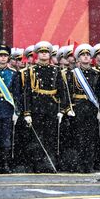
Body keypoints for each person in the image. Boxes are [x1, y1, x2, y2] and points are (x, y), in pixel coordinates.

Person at [20, 41, 68, 173]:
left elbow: (62, 91)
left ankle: (50, 162)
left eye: (46, 52)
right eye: (41, 52)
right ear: (37, 55)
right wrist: (27, 113)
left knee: (51, 137)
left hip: (51, 107)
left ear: (49, 54)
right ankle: (38, 164)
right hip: (37, 107)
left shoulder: (57, 70)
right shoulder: (31, 71)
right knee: (37, 138)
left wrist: (62, 110)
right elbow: (27, 93)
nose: (44, 54)